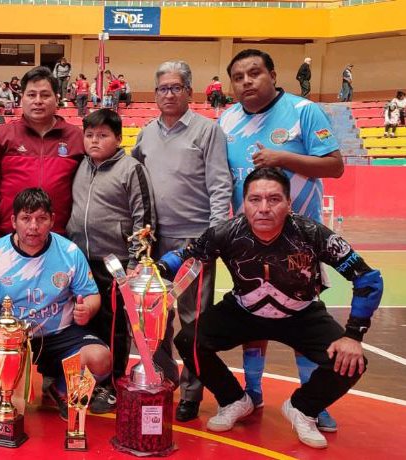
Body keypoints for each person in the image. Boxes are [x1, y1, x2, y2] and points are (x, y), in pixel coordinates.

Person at [167, 167, 382, 449]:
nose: (264, 208)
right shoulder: (225, 232)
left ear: (289, 204)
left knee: (352, 363)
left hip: (301, 314)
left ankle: (302, 408)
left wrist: (353, 335)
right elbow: (184, 256)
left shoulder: (311, 233)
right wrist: (152, 270)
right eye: (255, 200)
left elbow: (367, 278)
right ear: (243, 204)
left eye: (274, 199)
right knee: (188, 340)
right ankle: (234, 400)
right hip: (244, 311)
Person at [220, 48, 344, 430]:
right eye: (238, 77)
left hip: (299, 239)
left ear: (272, 75)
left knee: (303, 316)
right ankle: (252, 392)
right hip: (248, 239)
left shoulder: (303, 111)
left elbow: (335, 165)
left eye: (254, 73)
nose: (246, 82)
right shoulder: (226, 119)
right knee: (253, 311)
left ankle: (310, 401)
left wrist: (282, 158)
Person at [132, 60, 232, 422]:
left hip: (195, 243)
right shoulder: (145, 133)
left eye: (176, 88)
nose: (169, 94)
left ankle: (192, 392)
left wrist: (214, 238)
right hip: (154, 243)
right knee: (155, 319)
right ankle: (163, 381)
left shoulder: (208, 131)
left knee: (194, 323)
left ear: (190, 92)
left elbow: (221, 186)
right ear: (155, 94)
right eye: (162, 88)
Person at [0, 188, 110, 419]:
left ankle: (60, 388)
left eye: (41, 219)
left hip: (59, 334)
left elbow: (92, 296)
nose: (33, 227)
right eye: (26, 218)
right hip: (12, 339)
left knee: (101, 358)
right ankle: (4, 387)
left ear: (52, 220)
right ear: (13, 221)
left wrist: (87, 309)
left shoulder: (69, 251)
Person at [67, 109, 156, 414]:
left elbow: (144, 219)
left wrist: (135, 264)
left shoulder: (132, 169)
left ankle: (114, 384)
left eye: (103, 135)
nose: (94, 140)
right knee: (84, 325)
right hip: (81, 262)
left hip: (116, 264)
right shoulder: (81, 166)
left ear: (118, 138)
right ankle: (87, 382)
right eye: (90, 135)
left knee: (116, 327)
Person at [0, 66, 84, 250]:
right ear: (22, 98)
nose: (38, 101)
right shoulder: (3, 135)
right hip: (9, 236)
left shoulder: (76, 137)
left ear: (56, 99)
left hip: (61, 239)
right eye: (31, 95)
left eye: (45, 95)